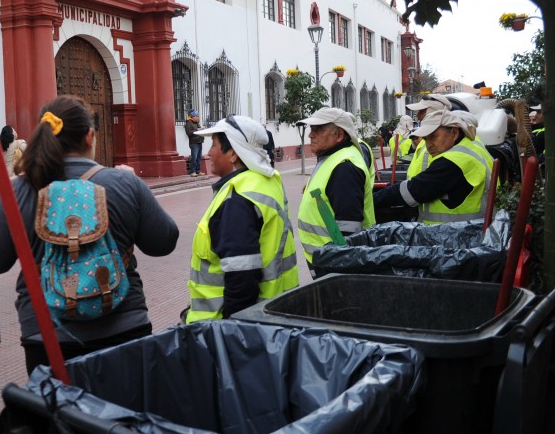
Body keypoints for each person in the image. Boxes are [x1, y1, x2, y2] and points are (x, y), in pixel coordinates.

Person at [0, 95, 179, 374]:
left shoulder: (18, 191)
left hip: (48, 334)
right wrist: (135, 186)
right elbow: (163, 242)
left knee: (59, 415)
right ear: (90, 137)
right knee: (124, 416)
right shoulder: (124, 183)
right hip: (124, 329)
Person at [184, 115, 298, 323]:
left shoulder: (238, 198)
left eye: (214, 145)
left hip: (219, 328)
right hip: (274, 313)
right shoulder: (265, 181)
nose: (209, 153)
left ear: (233, 154)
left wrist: (232, 334)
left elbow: (242, 280)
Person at [374, 109, 494, 224]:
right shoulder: (473, 147)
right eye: (425, 139)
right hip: (472, 230)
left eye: (433, 137)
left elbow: (415, 190)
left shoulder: (454, 161)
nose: (428, 145)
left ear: (454, 133)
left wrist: (370, 201)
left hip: (458, 236)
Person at [296, 108, 375, 273]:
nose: (311, 135)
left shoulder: (344, 166)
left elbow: (348, 234)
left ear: (338, 135)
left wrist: (341, 274)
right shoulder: (332, 157)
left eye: (318, 129)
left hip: (334, 265)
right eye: (311, 129)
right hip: (325, 259)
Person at [405, 94, 453, 179]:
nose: (418, 116)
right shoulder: (425, 139)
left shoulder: (447, 142)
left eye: (422, 111)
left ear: (435, 112)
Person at [185, 109, 205, 176]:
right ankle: (192, 171)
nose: (198, 117)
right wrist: (197, 130)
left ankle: (198, 171)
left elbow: (199, 130)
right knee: (194, 157)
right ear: (192, 116)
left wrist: (201, 129)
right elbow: (189, 133)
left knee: (199, 157)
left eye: (198, 116)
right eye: (196, 116)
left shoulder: (197, 123)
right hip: (194, 143)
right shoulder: (188, 123)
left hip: (199, 141)